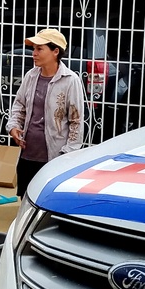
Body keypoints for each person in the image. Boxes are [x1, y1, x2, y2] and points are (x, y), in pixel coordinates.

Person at [6, 28, 85, 197]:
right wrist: (13, 127)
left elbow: (76, 121)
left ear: (55, 51)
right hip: (28, 153)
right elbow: (19, 105)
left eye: (39, 49)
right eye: (33, 48)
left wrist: (67, 154)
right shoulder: (31, 76)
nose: (34, 53)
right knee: (26, 199)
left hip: (54, 157)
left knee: (48, 199)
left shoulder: (70, 81)